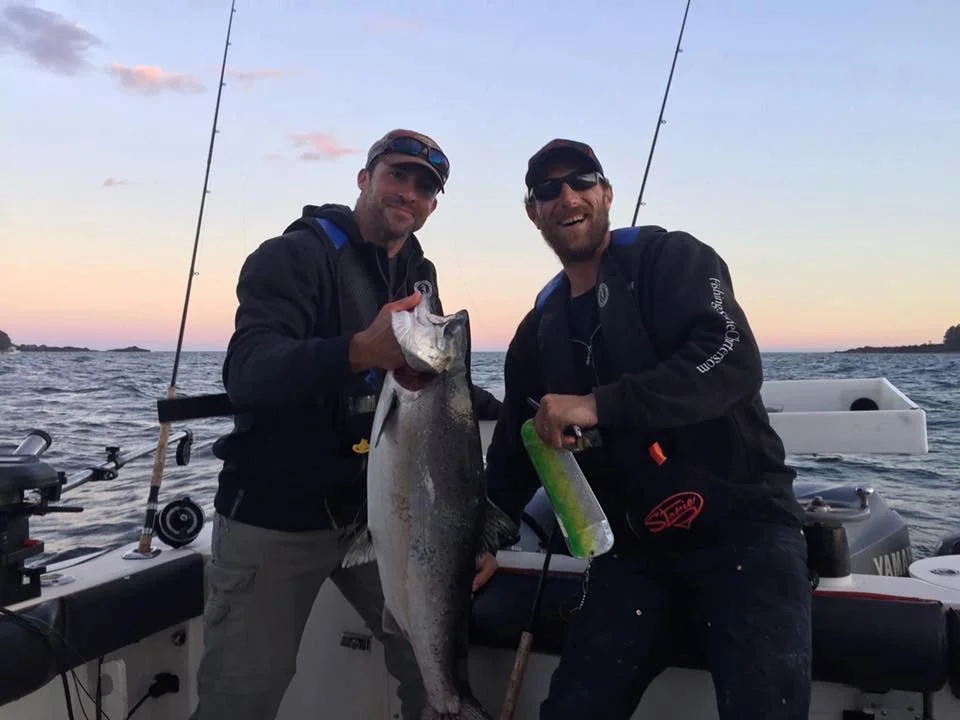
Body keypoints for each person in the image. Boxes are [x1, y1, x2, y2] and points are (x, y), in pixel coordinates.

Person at [479, 138, 813, 719]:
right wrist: (482, 539)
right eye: (547, 191)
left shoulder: (674, 260)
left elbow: (730, 358)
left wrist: (598, 405)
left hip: (745, 530)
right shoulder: (538, 331)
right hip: (633, 553)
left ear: (607, 193)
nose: (567, 197)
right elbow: (514, 448)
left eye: (582, 181)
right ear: (533, 213)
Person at [189, 129, 501, 720]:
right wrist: (359, 350)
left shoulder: (418, 275)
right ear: (364, 178)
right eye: (396, 175)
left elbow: (429, 378)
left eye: (424, 187)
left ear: (433, 205)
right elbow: (248, 371)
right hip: (275, 517)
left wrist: (525, 419)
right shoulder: (293, 257)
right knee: (242, 695)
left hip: (377, 516)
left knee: (435, 664)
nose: (408, 193)